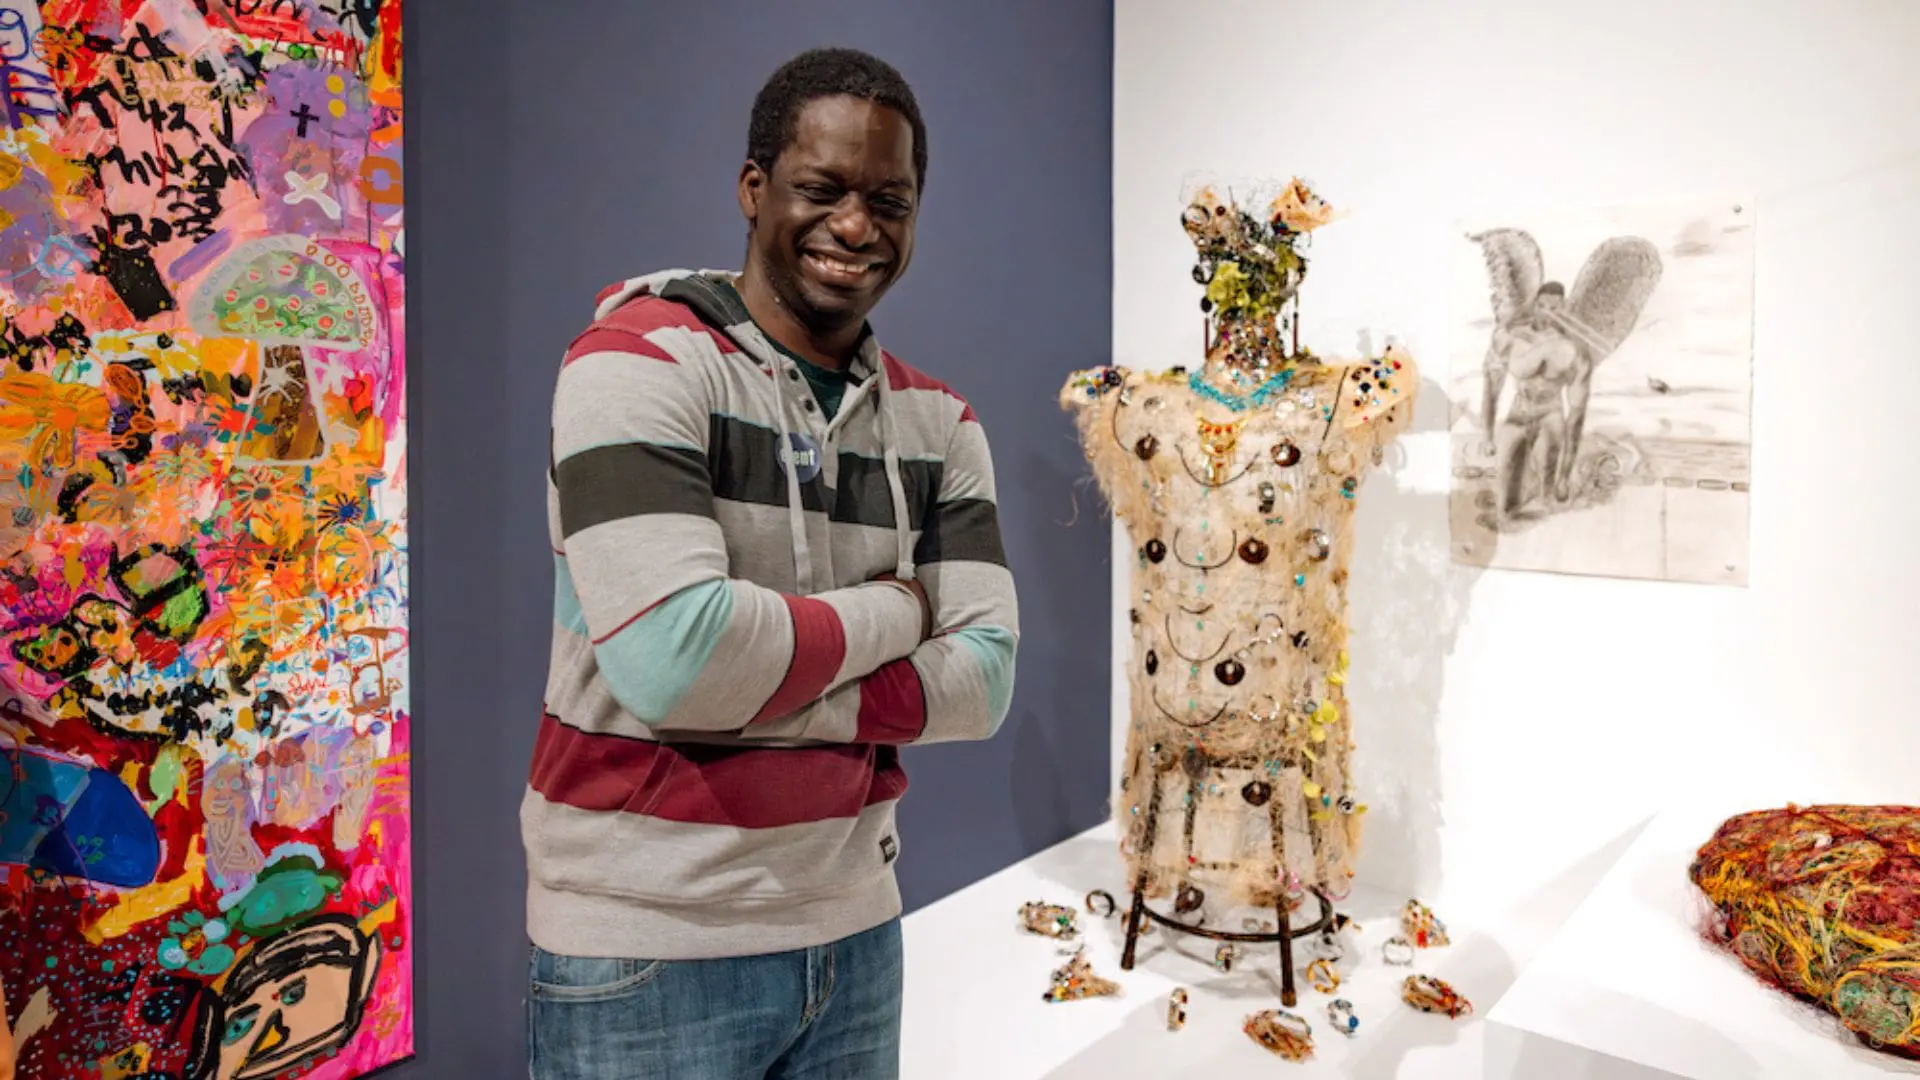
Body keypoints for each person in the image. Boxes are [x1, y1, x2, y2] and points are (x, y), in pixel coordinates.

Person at [521, 47, 1019, 1080]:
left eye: (890, 199)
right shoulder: (638, 362)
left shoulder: (941, 423)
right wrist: (901, 608)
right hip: (646, 948)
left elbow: (985, 684)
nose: (856, 226)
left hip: (859, 931)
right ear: (754, 190)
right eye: (821, 189)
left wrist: (748, 679)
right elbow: (676, 662)